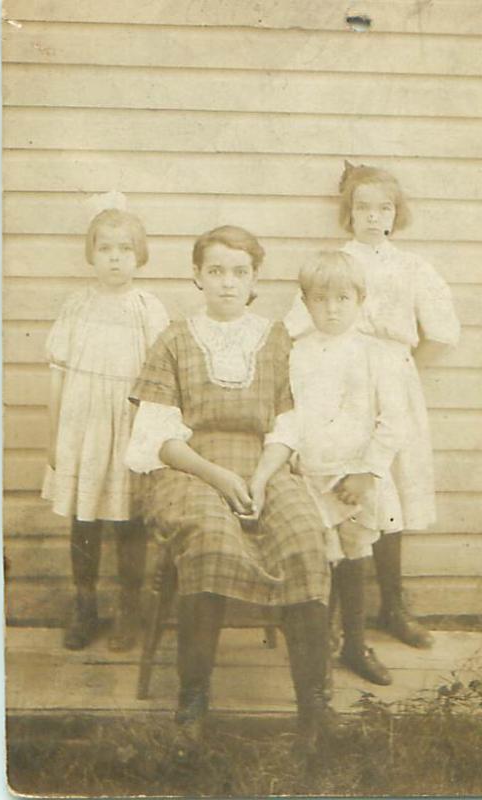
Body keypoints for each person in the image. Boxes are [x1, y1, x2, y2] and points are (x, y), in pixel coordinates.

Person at [125, 225, 333, 759]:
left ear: (255, 279)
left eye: (239, 272)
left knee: (306, 539)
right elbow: (157, 437)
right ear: (196, 275)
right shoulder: (173, 338)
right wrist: (219, 476)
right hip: (191, 469)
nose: (226, 283)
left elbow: (289, 423)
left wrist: (262, 478)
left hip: (266, 465)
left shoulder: (277, 340)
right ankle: (193, 702)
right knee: (212, 542)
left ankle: (314, 709)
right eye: (215, 271)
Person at [285, 163, 460, 649]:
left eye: (383, 208)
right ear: (349, 213)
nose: (372, 217)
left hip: (390, 388)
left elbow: (443, 333)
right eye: (362, 207)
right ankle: (341, 616)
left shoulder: (413, 268)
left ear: (396, 214)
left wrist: (401, 371)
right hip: (339, 386)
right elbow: (296, 326)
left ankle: (393, 606)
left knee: (388, 495)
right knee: (342, 497)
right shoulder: (336, 263)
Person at [42, 207, 169, 652]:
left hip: (130, 424)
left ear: (140, 255)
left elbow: (161, 377)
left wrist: (151, 437)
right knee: (85, 515)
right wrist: (55, 434)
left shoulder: (147, 308)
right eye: (106, 248)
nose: (115, 258)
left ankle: (130, 609)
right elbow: (58, 372)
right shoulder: (77, 305)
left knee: (129, 519)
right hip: (82, 423)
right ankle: (85, 604)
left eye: (125, 249)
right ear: (91, 254)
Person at [289, 251, 406, 686]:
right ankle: (320, 648)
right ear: (305, 302)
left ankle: (355, 645)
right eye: (321, 299)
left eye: (343, 298)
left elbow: (394, 419)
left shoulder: (375, 355)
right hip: (312, 478)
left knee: (355, 557)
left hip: (358, 480)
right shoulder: (297, 353)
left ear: (360, 300)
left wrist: (366, 472)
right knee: (320, 560)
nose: (332, 308)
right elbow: (291, 415)